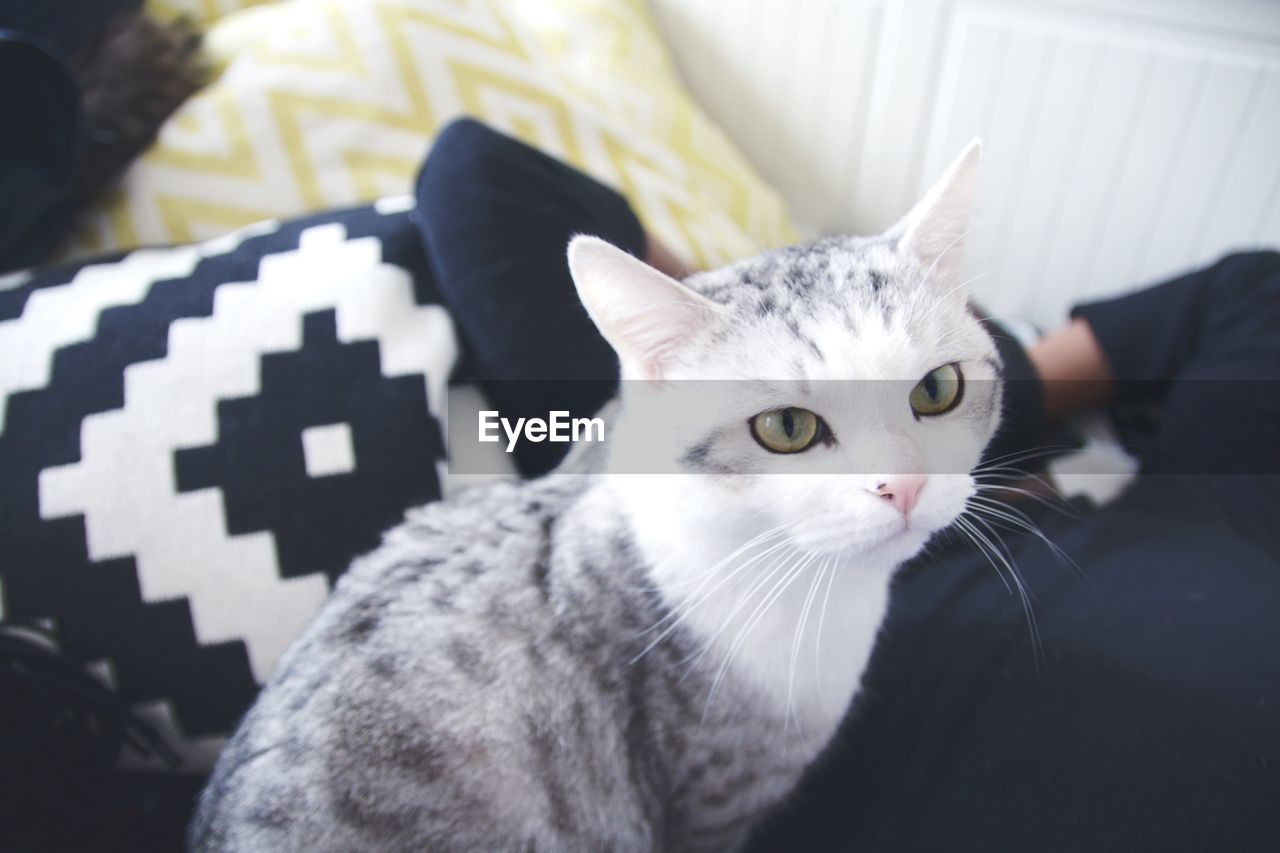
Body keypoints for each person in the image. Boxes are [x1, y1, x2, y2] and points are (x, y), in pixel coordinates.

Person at [416, 119, 1280, 851]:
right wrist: (737, 322)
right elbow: (475, 171)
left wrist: (990, 385)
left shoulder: (1199, 505)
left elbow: (1257, 288)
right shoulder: (653, 458)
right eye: (792, 424)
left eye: (936, 390)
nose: (901, 482)